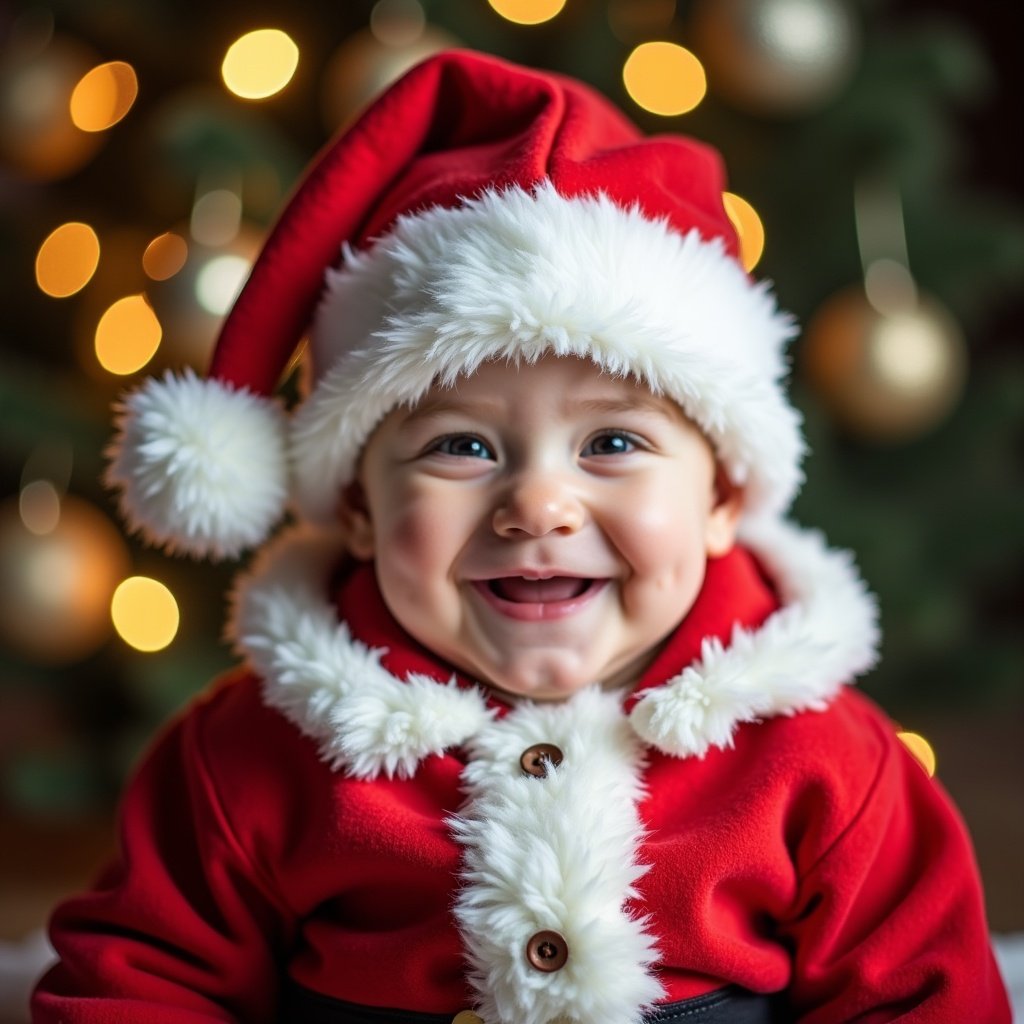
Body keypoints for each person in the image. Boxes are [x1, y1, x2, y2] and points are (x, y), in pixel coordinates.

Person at [32, 49, 1010, 1024]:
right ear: (361, 508)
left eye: (613, 441)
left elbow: (922, 998)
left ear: (722, 495)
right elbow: (137, 982)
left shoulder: (820, 758)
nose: (538, 505)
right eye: (460, 445)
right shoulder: (252, 753)